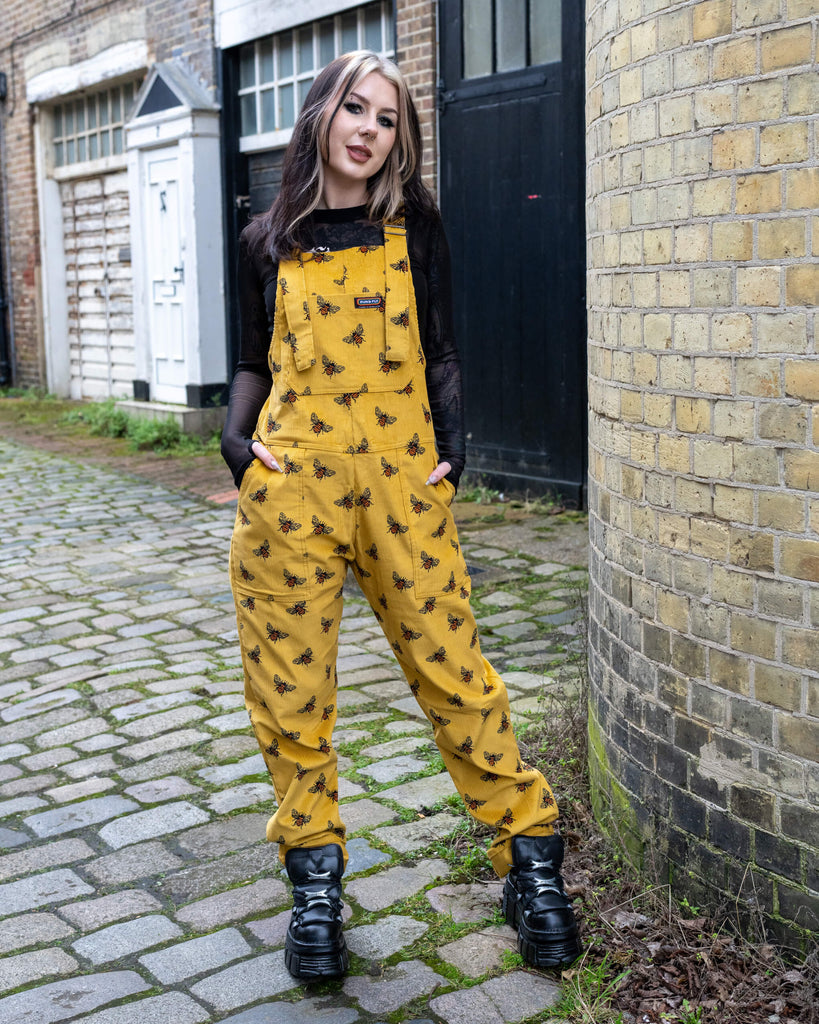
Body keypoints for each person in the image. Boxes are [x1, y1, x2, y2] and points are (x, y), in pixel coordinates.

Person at [221, 50, 581, 981]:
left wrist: (451, 453)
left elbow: (444, 349)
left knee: (452, 666)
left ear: (398, 139)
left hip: (400, 484)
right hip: (291, 488)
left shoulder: (415, 225)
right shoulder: (265, 238)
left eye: (386, 119)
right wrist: (234, 441)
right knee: (290, 696)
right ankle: (314, 884)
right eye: (354, 108)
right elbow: (252, 360)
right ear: (319, 116)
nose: (368, 130)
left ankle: (529, 860)